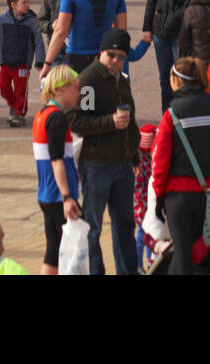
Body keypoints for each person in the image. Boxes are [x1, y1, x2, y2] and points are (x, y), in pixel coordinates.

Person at [64, 28, 140, 275]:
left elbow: (132, 119)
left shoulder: (121, 79)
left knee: (125, 224)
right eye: (111, 55)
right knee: (93, 226)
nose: (116, 61)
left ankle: (127, 270)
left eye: (121, 56)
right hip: (96, 164)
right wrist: (110, 122)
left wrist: (135, 154)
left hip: (122, 163)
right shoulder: (89, 81)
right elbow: (76, 121)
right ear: (101, 52)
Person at [150, 56, 210, 275]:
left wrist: (159, 195)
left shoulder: (172, 112)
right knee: (205, 252)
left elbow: (160, 160)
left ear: (177, 80)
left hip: (178, 197)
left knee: (182, 254)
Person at [32, 66, 82, 274]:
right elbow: (57, 160)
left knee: (53, 249)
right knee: (65, 249)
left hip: (46, 193)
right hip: (57, 195)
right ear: (61, 88)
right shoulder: (57, 118)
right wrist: (67, 197)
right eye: (75, 88)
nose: (79, 93)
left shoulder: (42, 114)